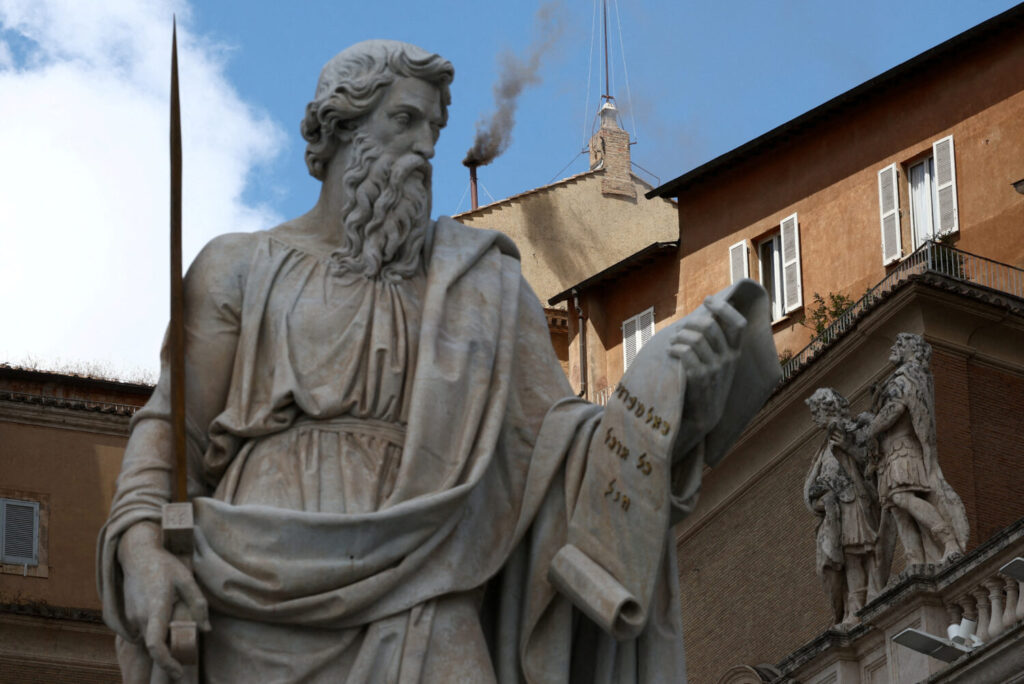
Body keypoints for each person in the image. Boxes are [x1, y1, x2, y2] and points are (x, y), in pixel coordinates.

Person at [97, 40, 779, 683]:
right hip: (255, 584)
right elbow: (171, 431)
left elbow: (554, 451)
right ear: (341, 129)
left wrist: (661, 393)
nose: (426, 147)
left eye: (434, 128)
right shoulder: (237, 267)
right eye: (405, 121)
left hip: (432, 572)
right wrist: (141, 547)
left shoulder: (484, 283)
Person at [863, 333, 968, 568]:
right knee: (897, 508)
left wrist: (870, 429)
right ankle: (915, 562)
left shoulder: (907, 376)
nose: (894, 347)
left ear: (913, 349)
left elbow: (894, 410)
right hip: (889, 455)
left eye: (900, 344)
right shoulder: (905, 376)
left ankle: (947, 540)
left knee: (901, 497)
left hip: (904, 449)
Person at [804, 388, 890, 626]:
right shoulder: (823, 447)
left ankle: (866, 602)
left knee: (861, 552)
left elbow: (872, 460)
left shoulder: (854, 430)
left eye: (815, 411)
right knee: (849, 558)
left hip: (856, 500)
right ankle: (854, 608)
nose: (813, 418)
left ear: (828, 408)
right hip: (838, 507)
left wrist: (847, 447)